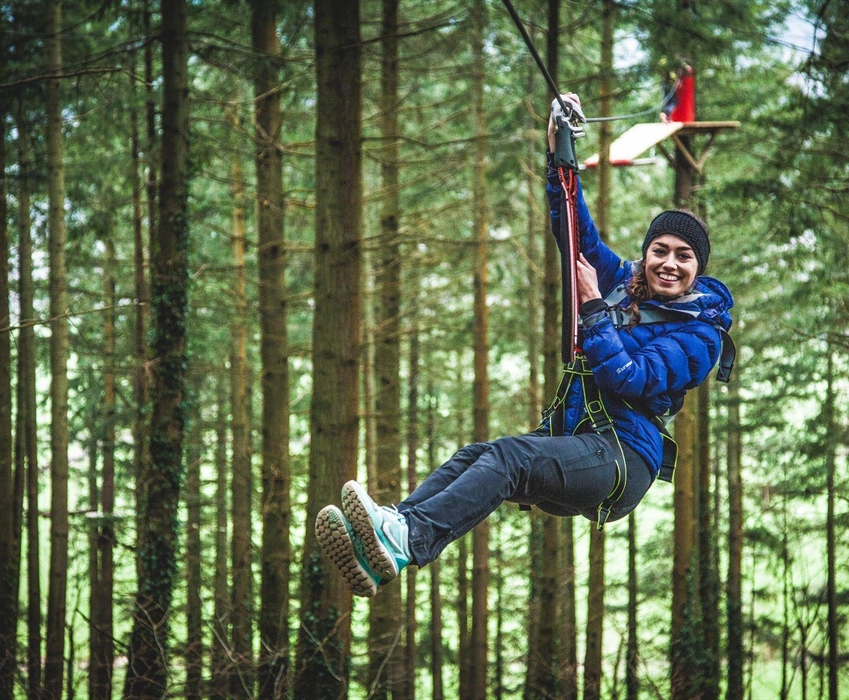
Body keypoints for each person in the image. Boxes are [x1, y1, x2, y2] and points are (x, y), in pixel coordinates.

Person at [315, 93, 734, 597]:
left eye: (683, 256)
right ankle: (392, 539)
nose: (668, 263)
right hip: (580, 440)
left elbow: (629, 377)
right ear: (645, 254)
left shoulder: (701, 335)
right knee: (477, 455)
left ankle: (406, 538)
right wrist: (559, 153)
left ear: (698, 269)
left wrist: (593, 308)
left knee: (511, 457)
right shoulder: (623, 283)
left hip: (622, 458)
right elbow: (574, 233)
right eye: (659, 250)